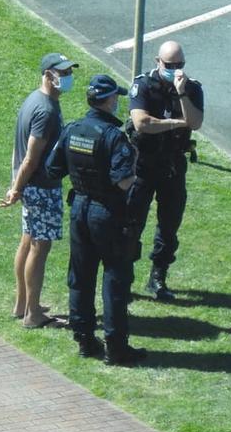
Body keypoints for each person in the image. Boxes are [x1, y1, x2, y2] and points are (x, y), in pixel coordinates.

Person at [45, 75, 147, 366]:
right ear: (109, 100)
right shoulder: (114, 136)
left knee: (81, 276)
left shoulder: (73, 129)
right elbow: (124, 182)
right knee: (115, 279)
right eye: (116, 97)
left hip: (79, 209)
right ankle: (116, 348)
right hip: (107, 214)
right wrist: (135, 160)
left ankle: (84, 339)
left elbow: (53, 169)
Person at [0, 52, 76, 329]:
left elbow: (17, 151)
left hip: (30, 187)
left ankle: (22, 304)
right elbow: (31, 157)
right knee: (38, 248)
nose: (67, 78)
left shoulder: (35, 100)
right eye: (62, 73)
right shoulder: (45, 110)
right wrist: (17, 188)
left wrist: (16, 186)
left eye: (68, 72)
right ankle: (33, 314)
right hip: (41, 187)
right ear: (48, 75)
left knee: (27, 241)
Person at [128, 40, 204, 302]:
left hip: (172, 166)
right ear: (157, 62)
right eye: (169, 65)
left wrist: (181, 94)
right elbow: (141, 123)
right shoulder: (144, 85)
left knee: (169, 225)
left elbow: (195, 123)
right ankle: (124, 276)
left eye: (179, 64)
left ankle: (158, 276)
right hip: (143, 165)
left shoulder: (192, 88)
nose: (175, 69)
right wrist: (176, 123)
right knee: (132, 222)